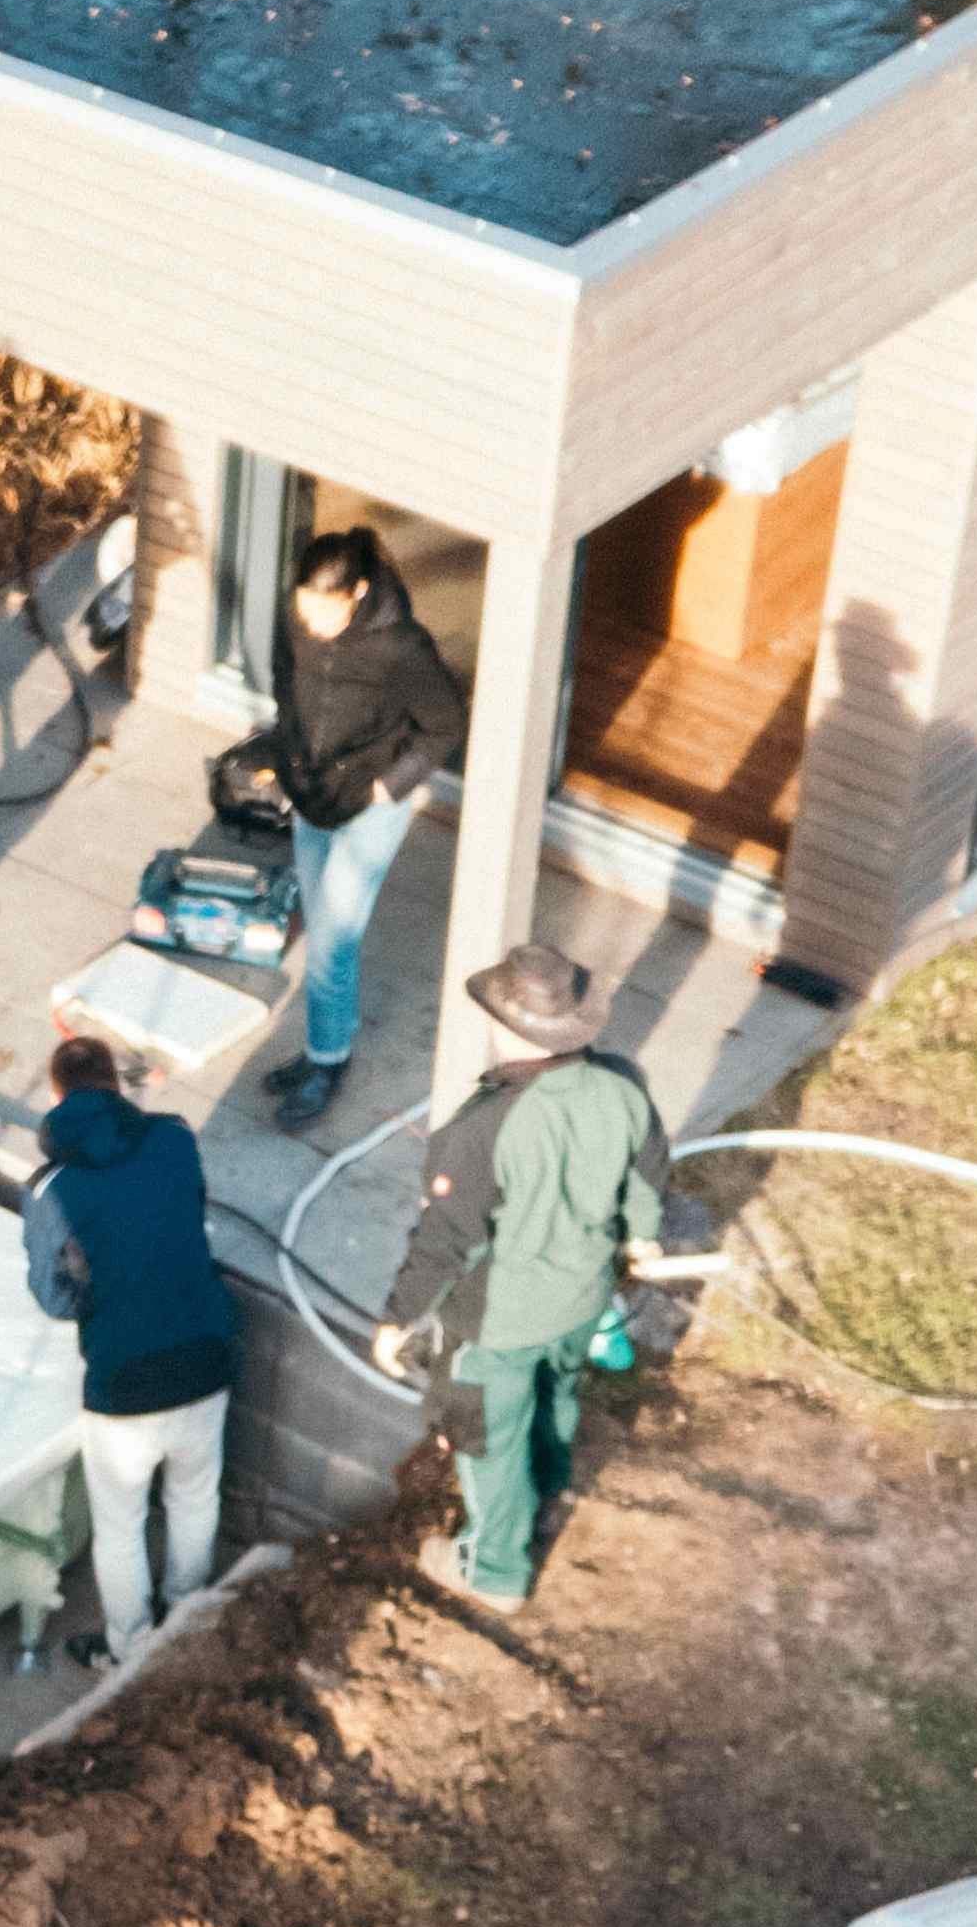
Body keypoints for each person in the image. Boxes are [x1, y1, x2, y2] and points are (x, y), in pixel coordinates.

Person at [372, 942, 668, 1606]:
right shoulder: (623, 1086)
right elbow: (649, 1173)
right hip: (584, 1296)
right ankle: (549, 1485)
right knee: (556, 1393)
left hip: (497, 1320)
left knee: (488, 1442)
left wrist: (397, 1318)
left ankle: (496, 1571)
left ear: (504, 1025)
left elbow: (445, 1238)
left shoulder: (482, 1129)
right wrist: (643, 1239)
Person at [23, 1030, 234, 1665]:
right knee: (195, 1498)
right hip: (206, 1356)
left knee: (120, 1526)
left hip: (124, 1387)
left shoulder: (50, 1187)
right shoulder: (174, 1138)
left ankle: (132, 1649)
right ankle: (186, 1613)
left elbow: (55, 1299)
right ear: (117, 1085)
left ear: (57, 1095)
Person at [245, 526, 466, 1135]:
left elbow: (443, 726)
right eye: (304, 609)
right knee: (320, 927)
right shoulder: (296, 624)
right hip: (312, 793)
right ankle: (327, 1041)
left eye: (326, 611)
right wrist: (283, 754)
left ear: (359, 592)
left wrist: (386, 788)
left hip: (371, 804)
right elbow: (290, 693)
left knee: (333, 942)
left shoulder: (400, 648)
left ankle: (326, 1063)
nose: (311, 624)